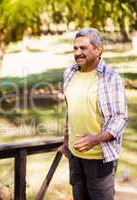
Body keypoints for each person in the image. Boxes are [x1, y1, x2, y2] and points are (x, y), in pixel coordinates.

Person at [61, 28, 128, 200]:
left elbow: (120, 118)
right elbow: (71, 110)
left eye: (83, 48)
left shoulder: (111, 77)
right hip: (75, 156)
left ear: (98, 50)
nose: (77, 53)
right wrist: (66, 140)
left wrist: (95, 139)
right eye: (75, 48)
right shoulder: (69, 73)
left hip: (100, 158)